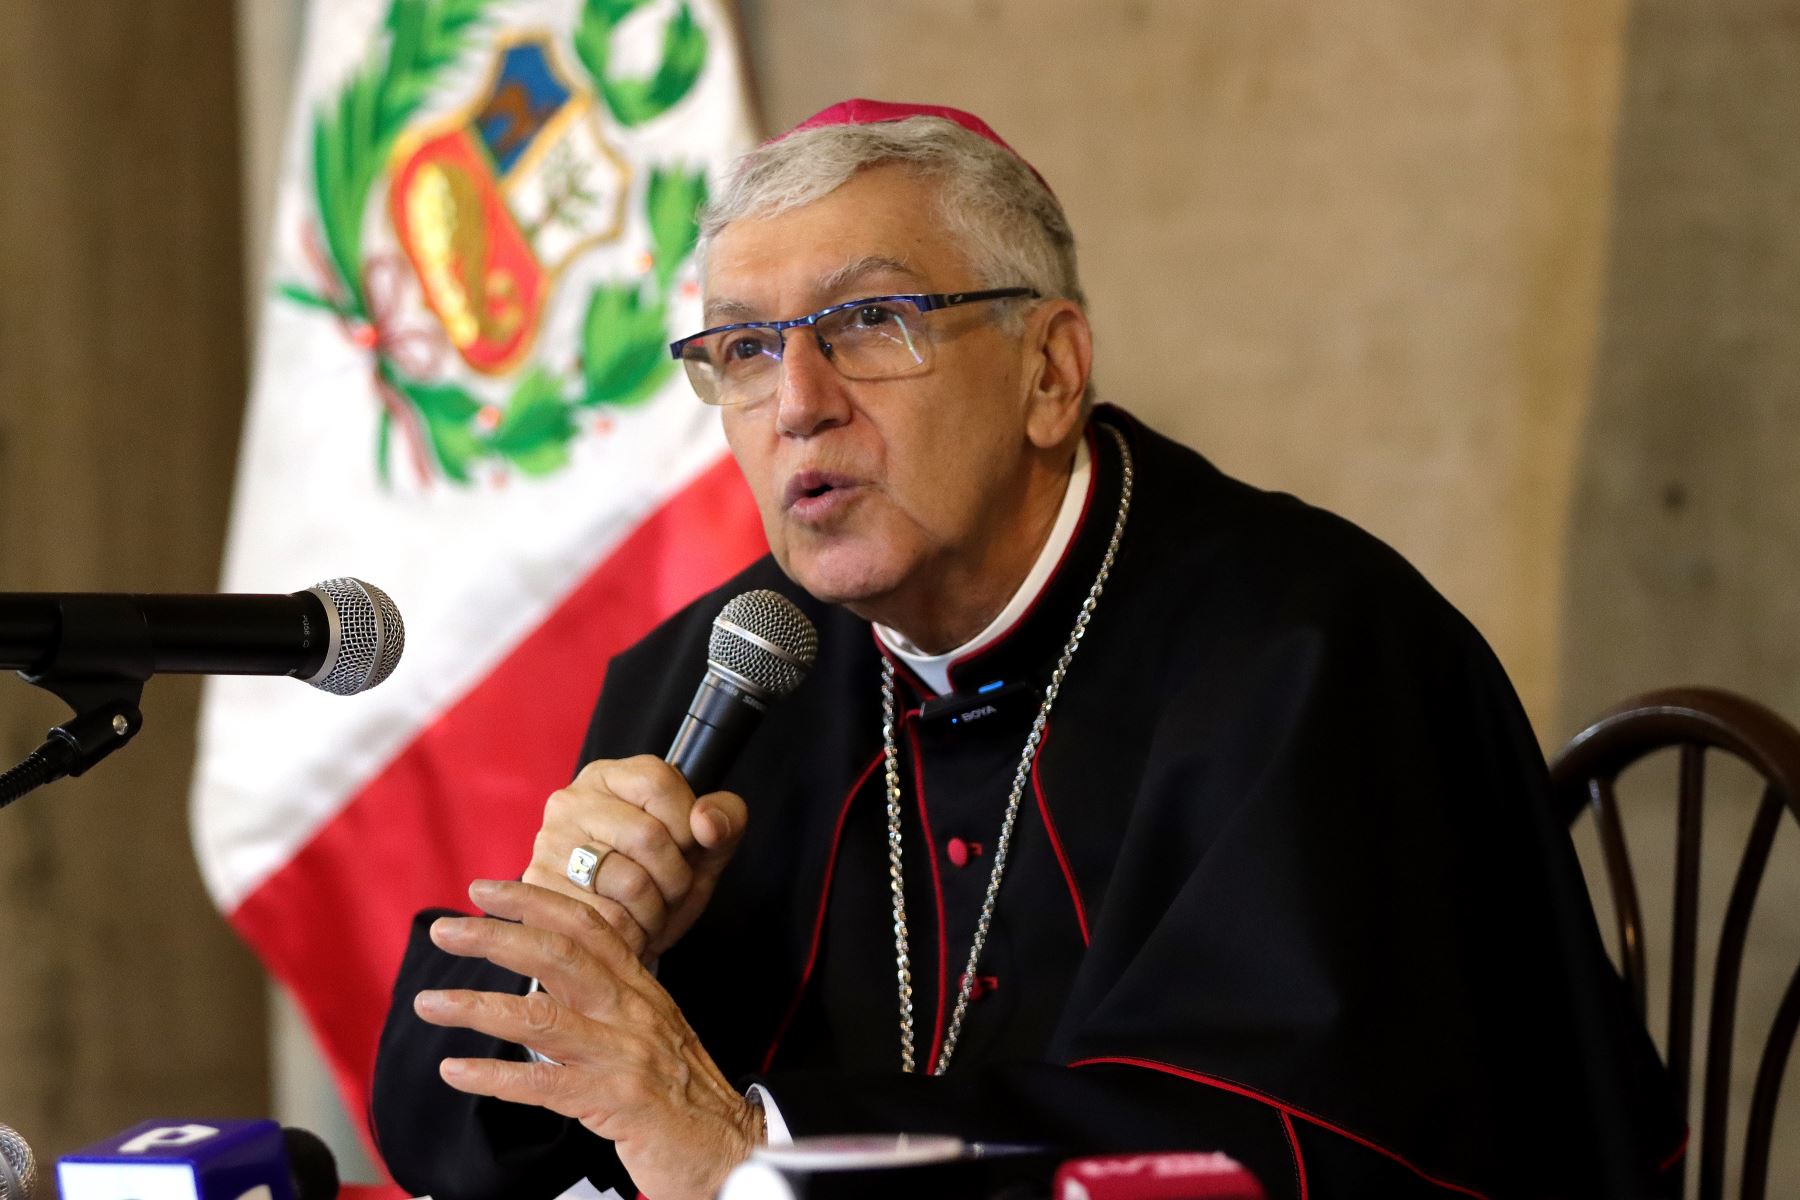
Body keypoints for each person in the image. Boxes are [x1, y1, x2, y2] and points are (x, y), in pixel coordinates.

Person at [371, 99, 1683, 1200]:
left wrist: (755, 1154)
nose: (799, 404)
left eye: (870, 324)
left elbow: (1297, 1153)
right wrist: (580, 919)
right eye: (745, 350)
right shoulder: (719, 672)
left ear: (1051, 372)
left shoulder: (1309, 654)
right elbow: (454, 1143)